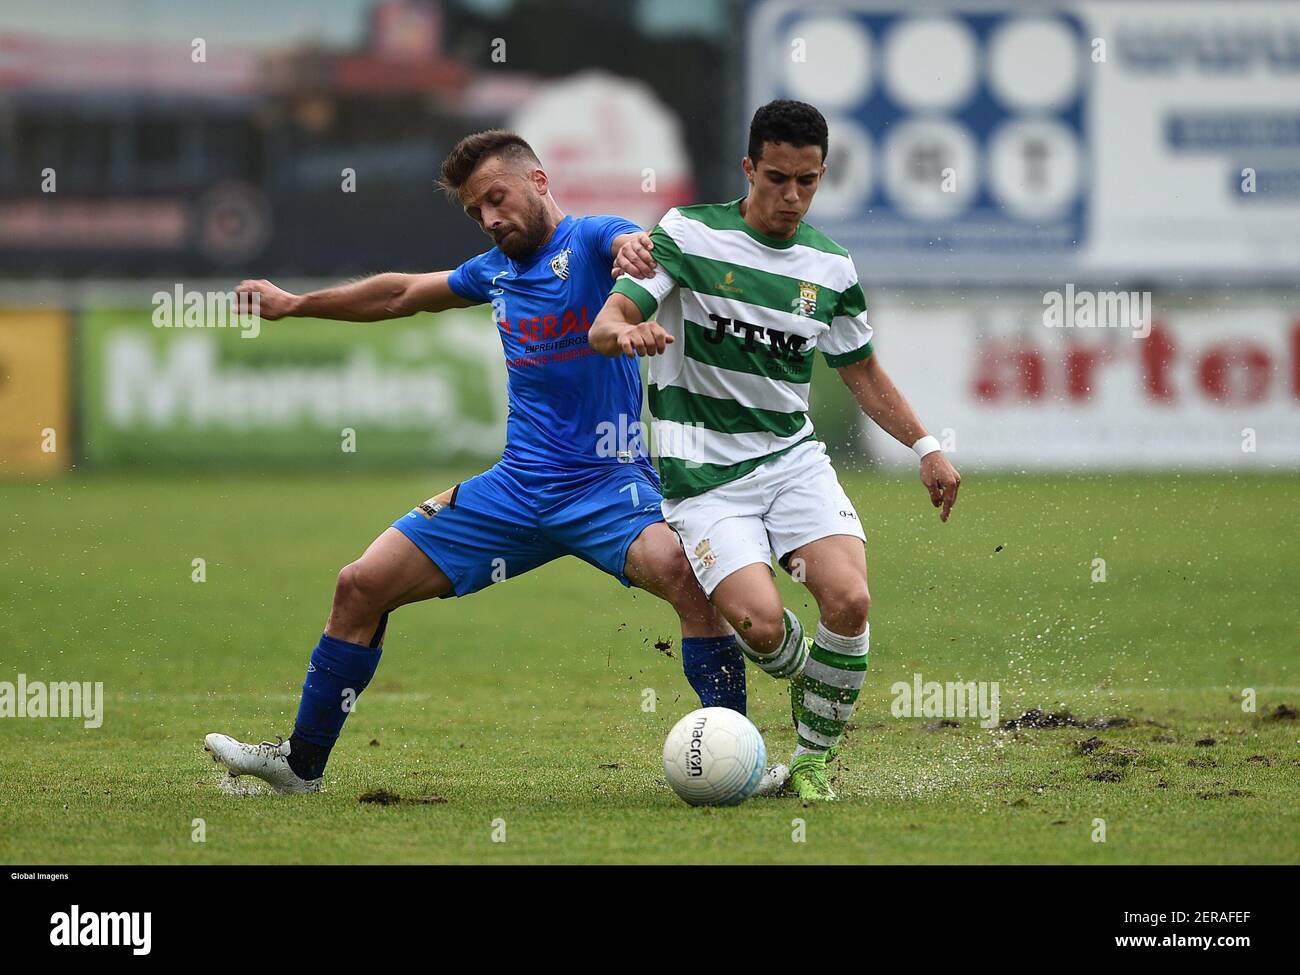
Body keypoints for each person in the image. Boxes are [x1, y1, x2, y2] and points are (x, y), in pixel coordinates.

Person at [204, 130, 781, 794]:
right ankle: (299, 766)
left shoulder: (593, 239)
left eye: (497, 199)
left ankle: (739, 758)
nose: (491, 219)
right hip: (515, 490)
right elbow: (399, 293)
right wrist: (296, 304)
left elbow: (623, 242)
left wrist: (630, 249)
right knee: (359, 585)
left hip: (606, 483)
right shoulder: (494, 270)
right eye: (477, 211)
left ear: (538, 181)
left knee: (688, 575)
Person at [589, 100, 962, 800]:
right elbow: (609, 321)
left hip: (791, 461)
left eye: (809, 181)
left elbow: (864, 374)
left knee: (849, 599)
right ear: (748, 169)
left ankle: (814, 762)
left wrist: (926, 446)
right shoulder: (689, 234)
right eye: (778, 178)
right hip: (703, 478)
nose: (792, 196)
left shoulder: (829, 265)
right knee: (761, 625)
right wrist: (624, 334)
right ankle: (810, 683)